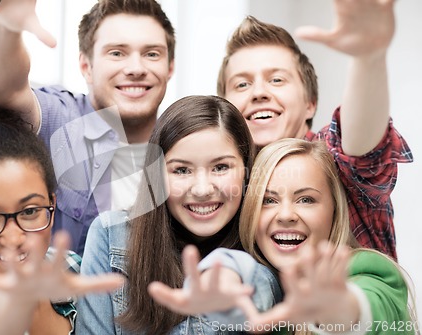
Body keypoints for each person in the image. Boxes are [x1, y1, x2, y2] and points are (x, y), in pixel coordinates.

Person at [149, 139, 418, 335]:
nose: (286, 214)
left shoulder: (370, 270)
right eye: (268, 200)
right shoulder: (264, 285)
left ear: (335, 210)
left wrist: (339, 310)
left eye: (306, 199)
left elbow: (370, 305)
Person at [0, 0, 175, 255]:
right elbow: (2, 90)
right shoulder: (63, 120)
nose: (136, 69)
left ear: (170, 68)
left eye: (152, 54)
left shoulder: (183, 144)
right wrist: (0, 27)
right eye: (116, 53)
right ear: (86, 67)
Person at [216, 0, 413, 259]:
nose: (259, 92)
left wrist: (368, 58)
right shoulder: (224, 181)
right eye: (242, 84)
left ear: (310, 104)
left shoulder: (331, 160)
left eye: (277, 80)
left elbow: (361, 150)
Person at [76, 95, 283, 334]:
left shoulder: (265, 245)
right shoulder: (111, 235)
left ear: (247, 172)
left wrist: (232, 274)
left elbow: (263, 285)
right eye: (182, 170)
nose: (202, 189)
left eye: (220, 167)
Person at [0, 102, 124, 334]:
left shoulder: (75, 268)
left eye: (29, 211)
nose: (13, 237)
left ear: (52, 205)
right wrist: (10, 305)